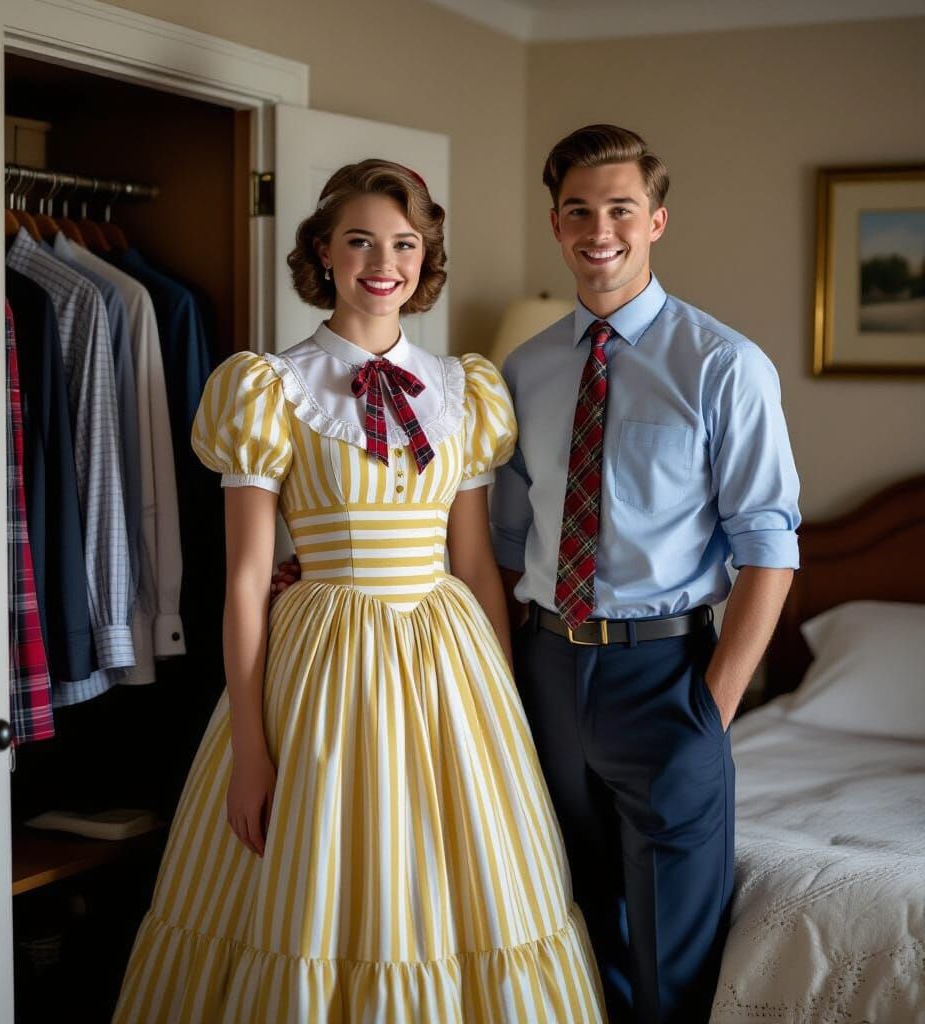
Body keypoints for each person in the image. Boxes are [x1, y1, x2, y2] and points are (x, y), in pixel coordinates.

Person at [113, 159, 606, 1022]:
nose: (386, 260)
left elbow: (478, 564)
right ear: (324, 254)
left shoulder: (466, 388)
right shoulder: (268, 388)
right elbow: (241, 581)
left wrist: (501, 711)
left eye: (406, 243)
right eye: (362, 240)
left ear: (425, 258)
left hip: (447, 658)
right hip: (322, 661)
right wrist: (252, 753)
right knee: (316, 884)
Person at [492, 125, 801, 1024]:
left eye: (620, 209)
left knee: (672, 960)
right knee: (569, 926)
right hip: (547, 671)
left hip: (665, 677)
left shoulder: (724, 366)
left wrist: (712, 705)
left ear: (656, 220)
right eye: (579, 212)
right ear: (556, 225)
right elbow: (506, 542)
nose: (600, 231)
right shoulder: (525, 368)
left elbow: (768, 549)